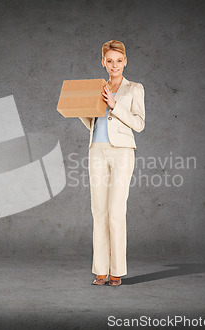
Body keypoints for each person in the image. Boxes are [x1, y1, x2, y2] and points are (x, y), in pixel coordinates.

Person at [79, 40, 145, 286]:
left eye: (119, 60)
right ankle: (101, 270)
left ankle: (116, 270)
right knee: (99, 212)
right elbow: (94, 122)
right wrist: (82, 108)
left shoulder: (134, 88)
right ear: (103, 62)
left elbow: (139, 124)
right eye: (110, 60)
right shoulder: (98, 87)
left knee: (116, 211)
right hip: (96, 150)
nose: (114, 65)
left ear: (125, 61)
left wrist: (115, 105)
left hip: (122, 152)